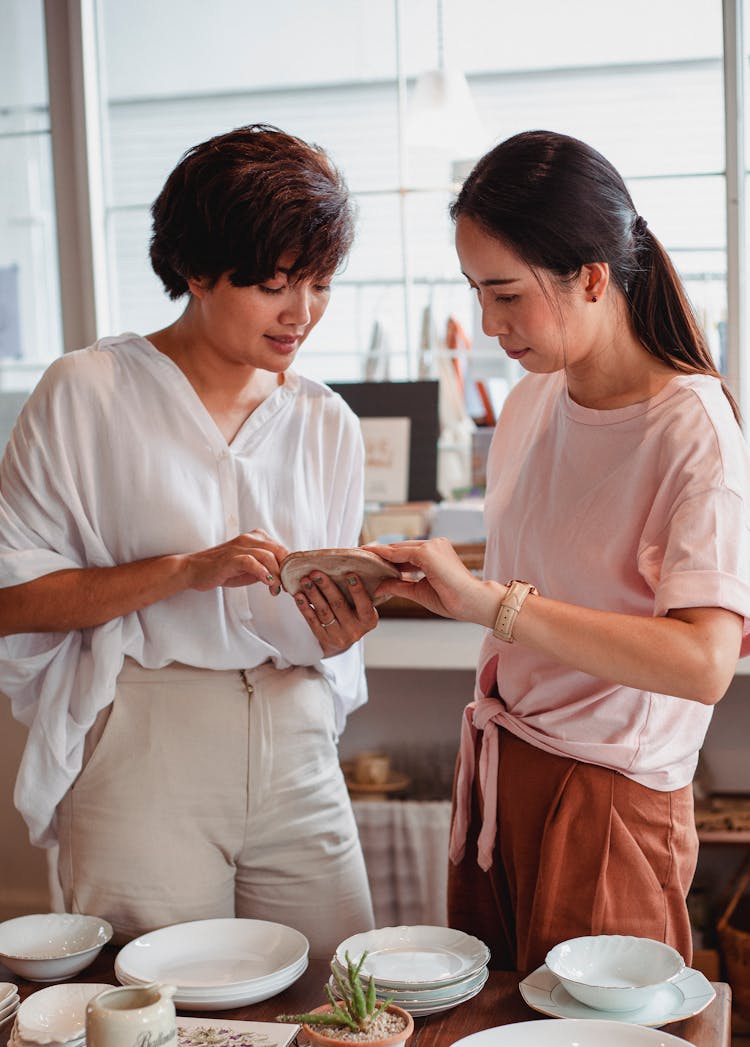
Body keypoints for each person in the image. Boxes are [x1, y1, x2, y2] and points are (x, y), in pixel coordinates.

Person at [372, 129, 750, 972]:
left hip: (609, 801)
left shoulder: (690, 427)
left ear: (589, 277)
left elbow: (703, 661)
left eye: (505, 294)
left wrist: (490, 602)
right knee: (489, 1020)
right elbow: (545, 580)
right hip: (509, 772)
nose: (487, 323)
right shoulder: (531, 403)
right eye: (475, 292)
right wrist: (426, 580)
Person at [0, 124, 379, 957]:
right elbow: (12, 602)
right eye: (275, 284)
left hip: (297, 732)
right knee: (155, 1006)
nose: (302, 313)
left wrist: (340, 624)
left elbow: (321, 614)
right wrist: (182, 570)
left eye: (319, 283)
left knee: (342, 995)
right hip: (146, 734)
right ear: (197, 271)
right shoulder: (87, 393)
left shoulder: (327, 423)